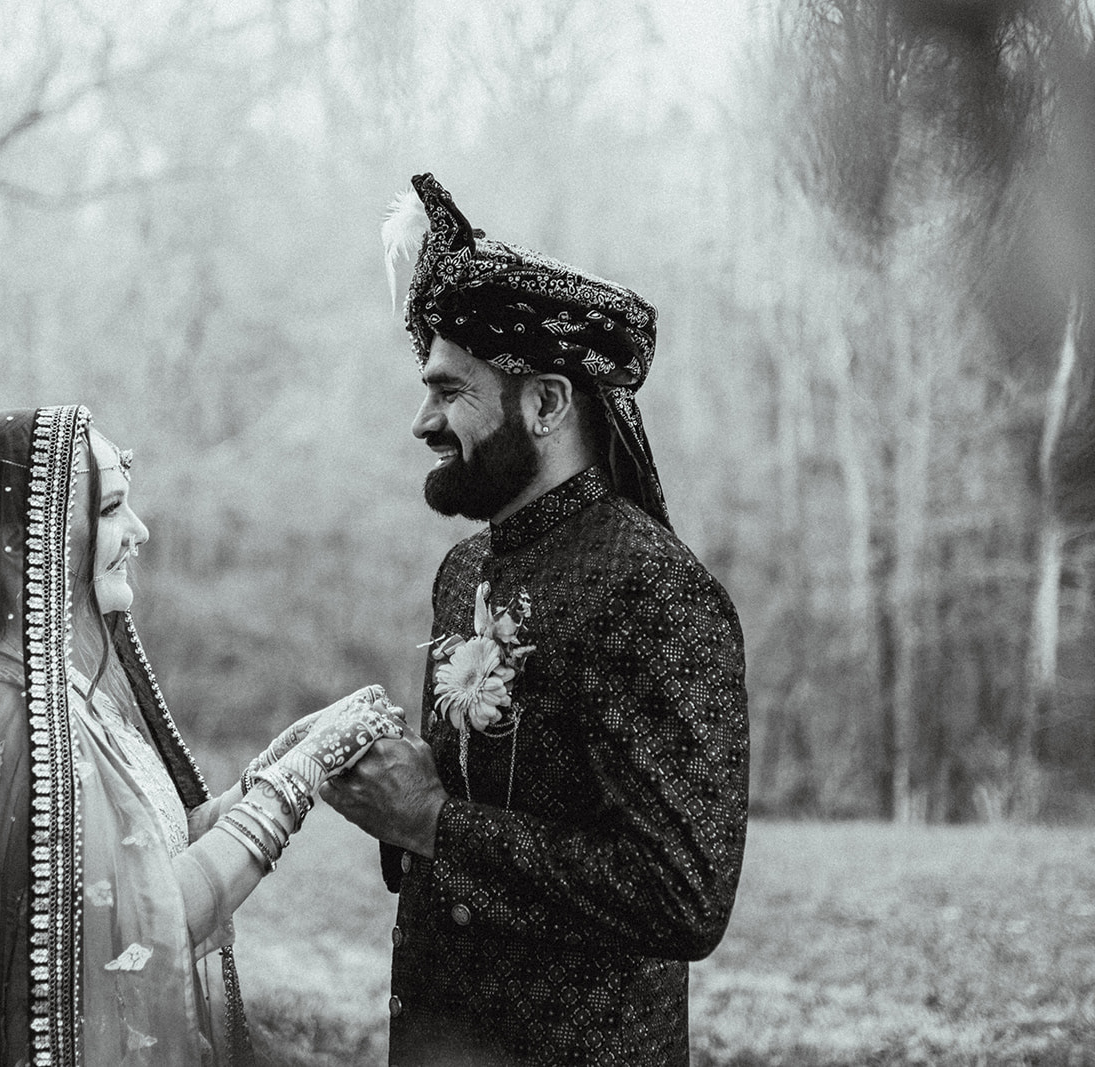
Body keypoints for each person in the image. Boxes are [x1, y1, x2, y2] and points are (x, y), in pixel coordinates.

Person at [0, 406, 402, 1066]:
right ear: (17, 545)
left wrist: (293, 750)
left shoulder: (64, 691)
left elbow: (147, 860)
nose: (140, 530)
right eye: (110, 509)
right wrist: (298, 778)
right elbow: (138, 926)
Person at [321, 174, 750, 1066]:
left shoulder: (654, 588)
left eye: (450, 391)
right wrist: (389, 798)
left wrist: (433, 821)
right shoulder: (461, 572)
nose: (422, 421)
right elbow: (448, 825)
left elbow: (683, 895)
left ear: (548, 403)